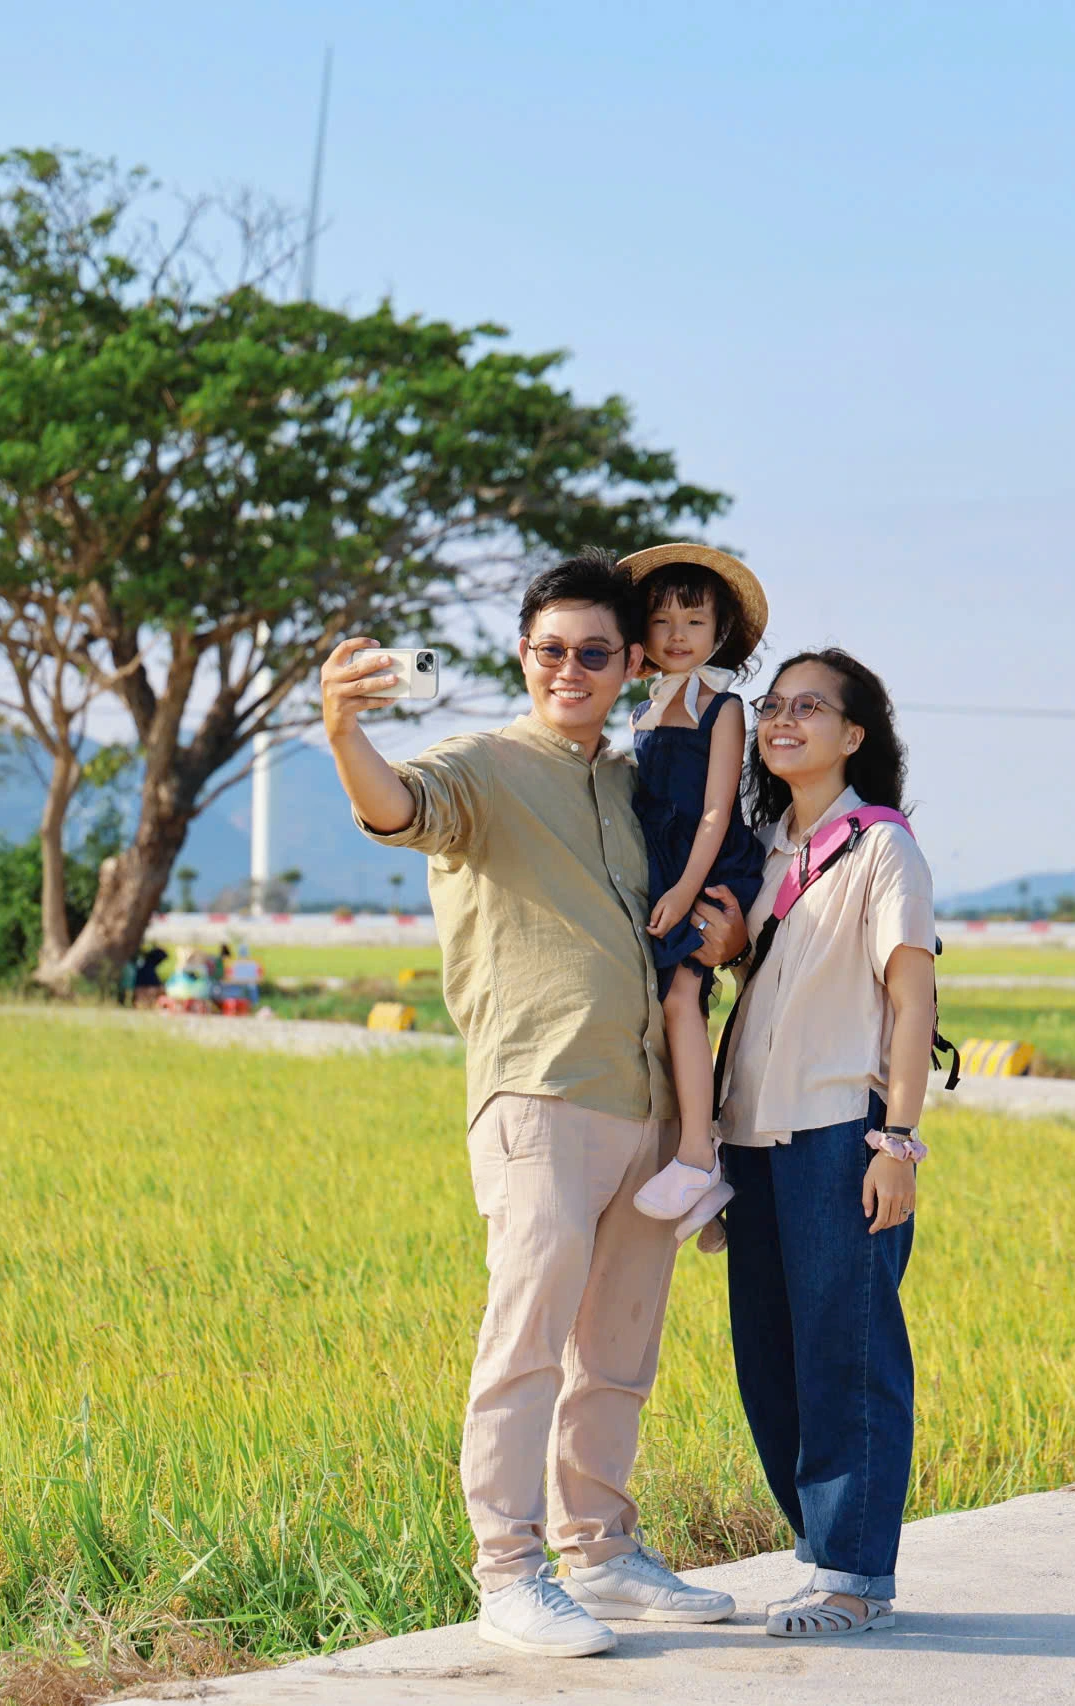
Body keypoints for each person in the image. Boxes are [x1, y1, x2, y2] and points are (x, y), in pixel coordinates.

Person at [319, 553, 751, 1659]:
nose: (570, 669)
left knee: (617, 1348)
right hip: (541, 1096)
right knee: (525, 1340)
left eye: (594, 652)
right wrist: (343, 732)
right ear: (523, 655)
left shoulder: (632, 781)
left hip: (649, 1104)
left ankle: (599, 1550)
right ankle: (507, 1573)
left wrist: (725, 931)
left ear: (632, 663)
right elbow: (397, 806)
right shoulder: (482, 766)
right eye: (551, 649)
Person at [712, 648, 938, 1639]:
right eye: (773, 703)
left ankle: (855, 1577)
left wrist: (898, 1140)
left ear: (853, 734)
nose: (782, 718)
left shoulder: (882, 846)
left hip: (842, 1130)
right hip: (752, 1135)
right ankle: (821, 1553)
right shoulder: (763, 852)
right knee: (768, 1356)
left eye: (810, 706)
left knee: (847, 1355)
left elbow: (911, 997)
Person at [613, 543, 771, 1242]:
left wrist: (682, 891)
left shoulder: (723, 707)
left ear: (720, 631)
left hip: (706, 870)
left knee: (683, 1001)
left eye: (695, 622)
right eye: (662, 621)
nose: (678, 635)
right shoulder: (642, 709)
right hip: (660, 870)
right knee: (668, 1009)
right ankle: (708, 1192)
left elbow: (715, 811)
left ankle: (698, 1158)